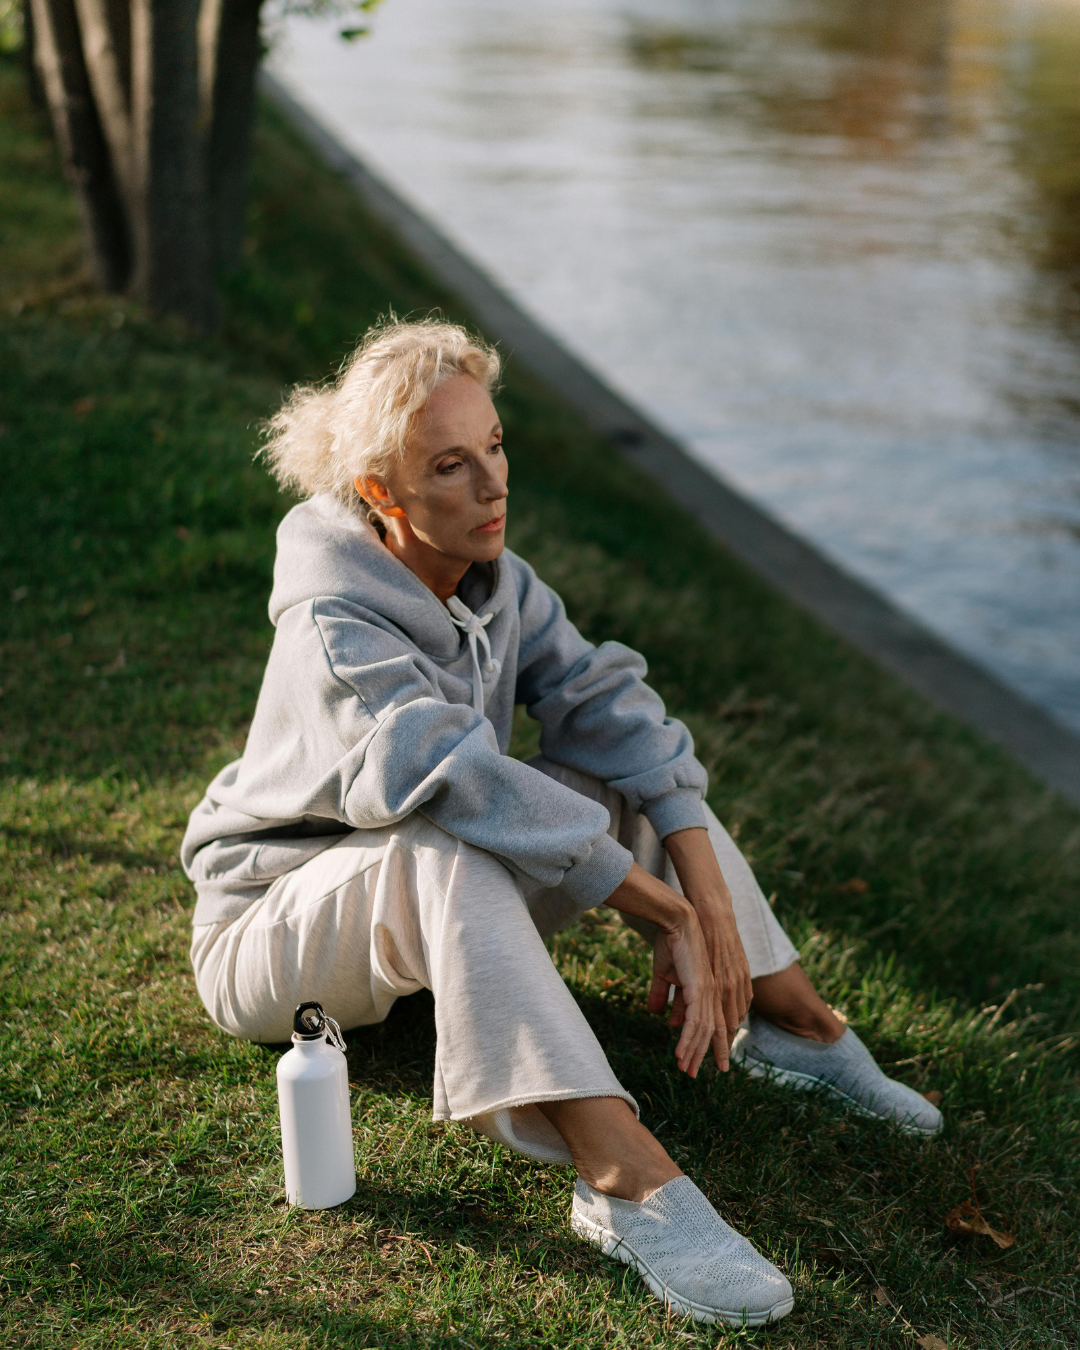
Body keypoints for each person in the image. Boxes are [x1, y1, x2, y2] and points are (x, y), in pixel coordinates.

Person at [182, 318, 942, 1328]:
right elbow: (447, 778)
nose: (492, 484)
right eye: (450, 466)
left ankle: (789, 1018)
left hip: (403, 906)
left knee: (615, 786)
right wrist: (657, 909)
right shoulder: (334, 620)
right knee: (442, 843)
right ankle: (619, 1180)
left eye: (494, 447)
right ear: (380, 494)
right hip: (270, 934)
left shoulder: (498, 581)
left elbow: (614, 714)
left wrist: (699, 899)